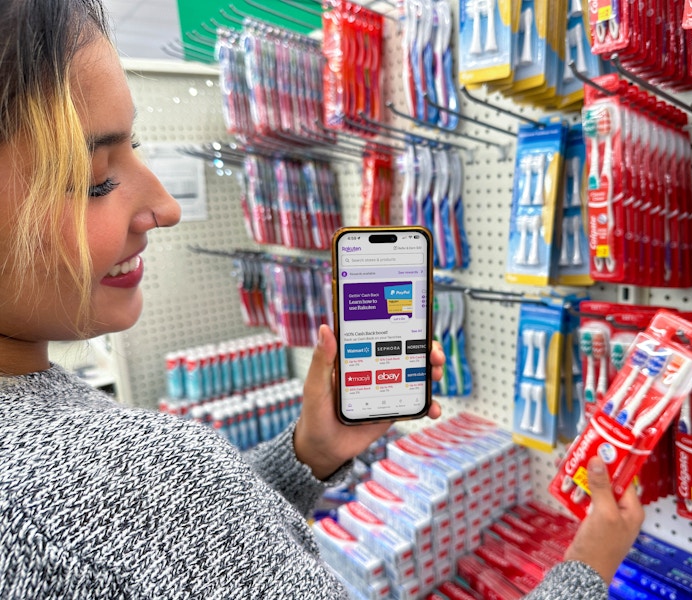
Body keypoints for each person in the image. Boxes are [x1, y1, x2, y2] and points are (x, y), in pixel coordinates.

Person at [0, 0, 643, 598]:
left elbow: (173, 556)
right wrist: (588, 567)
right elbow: (148, 526)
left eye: (133, 147)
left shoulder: (61, 444)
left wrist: (308, 453)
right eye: (95, 177)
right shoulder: (120, 481)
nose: (165, 207)